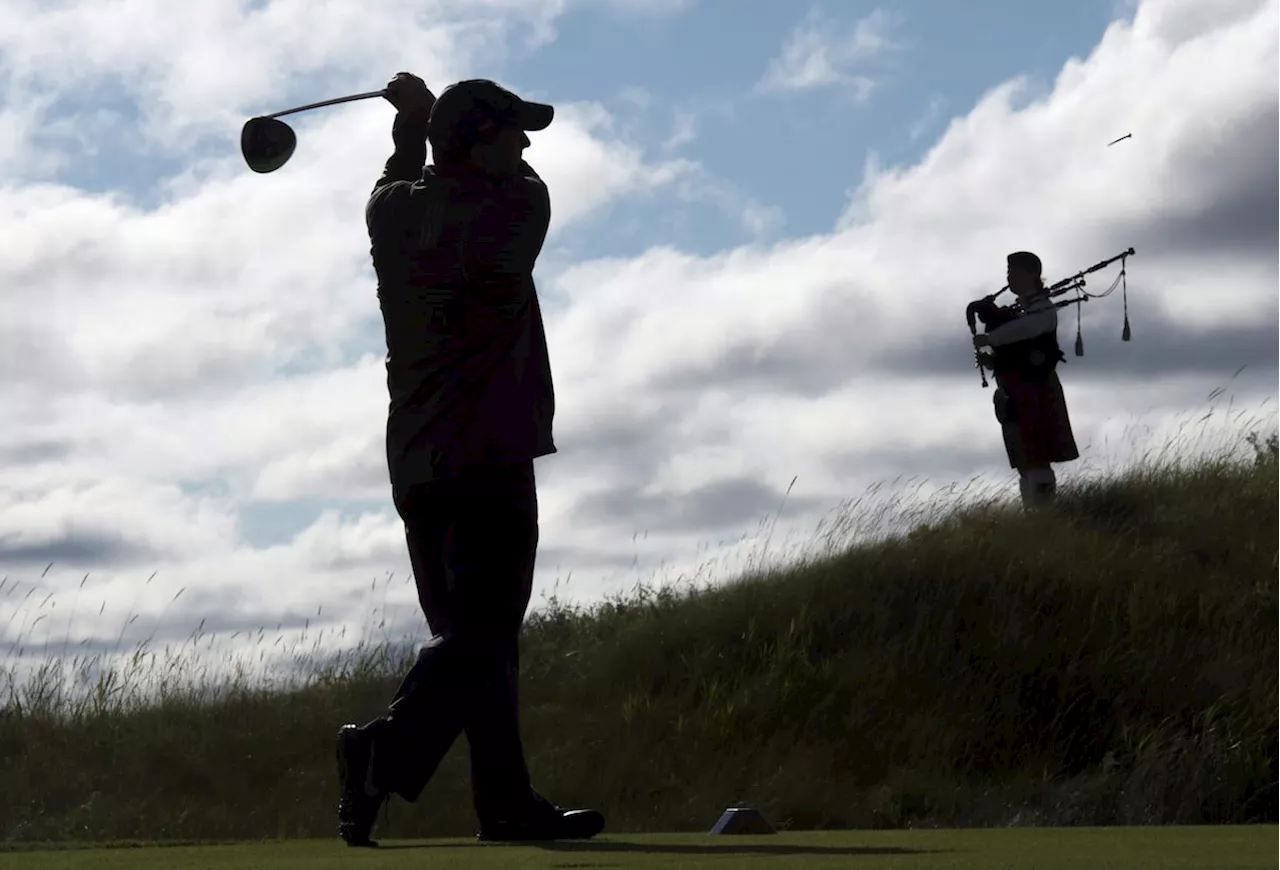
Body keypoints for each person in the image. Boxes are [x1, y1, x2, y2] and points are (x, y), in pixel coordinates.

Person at [335, 71, 605, 847]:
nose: (524, 144)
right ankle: (377, 753)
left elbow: (397, 176)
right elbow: (517, 179)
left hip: (416, 460)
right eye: (510, 132)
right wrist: (426, 126)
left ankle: (507, 804)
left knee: (471, 641)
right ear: (480, 146)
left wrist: (412, 128)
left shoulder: (391, 215)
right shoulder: (515, 209)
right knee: (484, 635)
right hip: (488, 450)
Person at [972, 251, 1080, 508]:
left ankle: (1044, 513)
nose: (1009, 277)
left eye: (1015, 271)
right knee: (1024, 457)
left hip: (1036, 386)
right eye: (1008, 272)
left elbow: (1028, 328)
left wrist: (991, 338)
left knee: (1037, 453)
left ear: (1032, 274)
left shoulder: (1043, 309)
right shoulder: (1023, 310)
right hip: (1015, 389)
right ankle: (1032, 513)